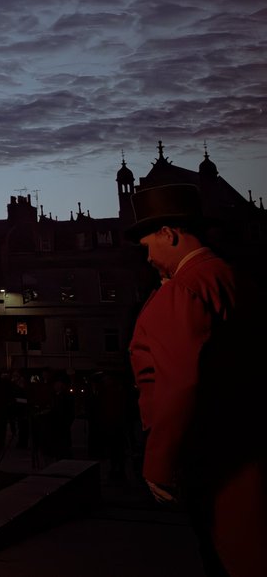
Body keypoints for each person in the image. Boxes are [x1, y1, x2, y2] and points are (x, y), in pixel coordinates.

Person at [126, 183, 267, 577]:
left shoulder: (184, 290)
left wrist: (159, 463)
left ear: (168, 234)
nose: (148, 258)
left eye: (148, 246)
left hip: (215, 453)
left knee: (228, 554)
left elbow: (179, 384)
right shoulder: (233, 277)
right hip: (250, 442)